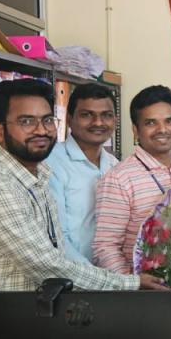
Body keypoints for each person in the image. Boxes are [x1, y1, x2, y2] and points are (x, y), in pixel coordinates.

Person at [0, 79, 164, 337]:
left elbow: (57, 249)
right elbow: (48, 265)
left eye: (47, 120)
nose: (41, 130)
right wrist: (130, 283)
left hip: (35, 320)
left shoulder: (37, 175)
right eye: (26, 121)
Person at [93, 85, 171, 274]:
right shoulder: (119, 178)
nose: (162, 129)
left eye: (169, 121)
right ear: (135, 130)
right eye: (151, 123)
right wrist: (134, 283)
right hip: (144, 287)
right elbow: (105, 247)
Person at [45, 83, 119, 264]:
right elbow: (57, 238)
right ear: (69, 119)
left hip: (110, 271)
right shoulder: (52, 163)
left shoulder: (115, 166)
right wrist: (94, 276)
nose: (98, 123)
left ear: (115, 121)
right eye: (87, 115)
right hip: (72, 275)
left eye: (106, 115)